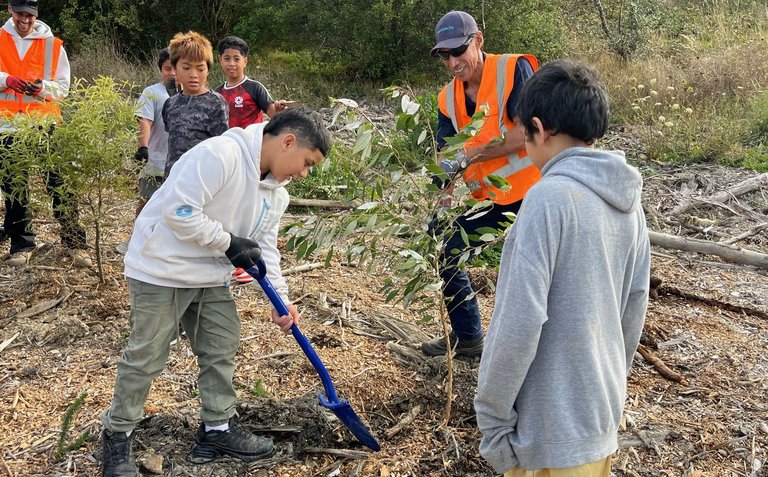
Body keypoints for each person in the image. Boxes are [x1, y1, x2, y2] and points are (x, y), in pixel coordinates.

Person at [99, 106, 332, 476]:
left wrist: (282, 298)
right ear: (288, 142)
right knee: (147, 354)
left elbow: (263, 246)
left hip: (209, 274)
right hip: (162, 268)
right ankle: (117, 434)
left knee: (221, 343)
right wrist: (227, 242)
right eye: (306, 163)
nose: (303, 173)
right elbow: (179, 211)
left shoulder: (277, 193)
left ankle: (217, 428)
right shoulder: (220, 155)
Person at [474, 60, 651, 477]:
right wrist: (613, 387)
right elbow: (634, 307)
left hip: (547, 435)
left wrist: (492, 418)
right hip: (599, 420)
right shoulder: (629, 203)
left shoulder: (546, 200)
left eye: (522, 133)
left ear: (540, 128)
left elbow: (519, 321)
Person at [420, 10, 539, 357]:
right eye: (445, 55)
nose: (454, 62)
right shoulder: (447, 98)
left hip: (538, 193)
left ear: (478, 40)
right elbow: (445, 154)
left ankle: (534, 352)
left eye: (459, 51)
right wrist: (440, 199)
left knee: (534, 272)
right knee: (446, 247)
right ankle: (469, 338)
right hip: (495, 201)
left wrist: (468, 158)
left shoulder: (512, 70)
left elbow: (524, 133)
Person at [0, 0, 90, 268]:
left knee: (59, 183)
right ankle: (22, 244)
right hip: (7, 125)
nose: (25, 20)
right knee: (15, 187)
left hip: (45, 125)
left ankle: (75, 242)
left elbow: (63, 87)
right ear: (9, 10)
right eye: (20, 14)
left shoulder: (52, 45)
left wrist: (41, 88)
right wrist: (7, 80)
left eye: (30, 15)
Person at [117, 48, 175, 254]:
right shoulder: (152, 92)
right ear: (161, 69)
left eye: (177, 67)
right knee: (147, 201)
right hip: (156, 160)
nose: (173, 73)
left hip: (179, 162)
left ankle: (166, 244)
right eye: (168, 68)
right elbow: (145, 120)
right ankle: (136, 239)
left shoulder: (192, 94)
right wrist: (143, 146)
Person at [161, 31, 228, 177]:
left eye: (200, 68)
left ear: (208, 70)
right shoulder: (170, 104)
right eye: (186, 68)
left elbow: (222, 146)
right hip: (172, 180)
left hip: (201, 182)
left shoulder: (216, 102)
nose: (193, 74)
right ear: (175, 68)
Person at [214, 35, 289, 128]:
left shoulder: (255, 88)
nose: (231, 63)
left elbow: (274, 115)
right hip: (225, 142)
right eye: (227, 59)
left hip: (252, 142)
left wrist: (281, 111)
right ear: (220, 60)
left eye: (237, 59)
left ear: (245, 61)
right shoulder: (217, 93)